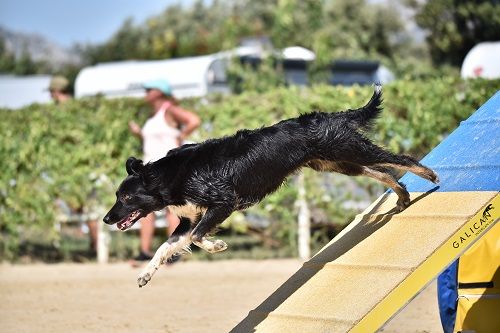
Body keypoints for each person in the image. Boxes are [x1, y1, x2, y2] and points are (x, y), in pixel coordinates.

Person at [129, 79, 201, 264]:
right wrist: (138, 133)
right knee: (145, 209)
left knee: (172, 210)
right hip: (150, 169)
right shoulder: (153, 114)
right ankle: (145, 251)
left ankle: (173, 252)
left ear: (159, 92)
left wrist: (182, 136)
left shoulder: (169, 109)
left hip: (168, 169)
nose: (146, 93)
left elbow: (194, 120)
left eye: (149, 89)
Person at [49, 75, 99, 255]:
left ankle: (93, 245)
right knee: (87, 207)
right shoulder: (78, 108)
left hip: (71, 166)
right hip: (81, 165)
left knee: (84, 206)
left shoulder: (59, 112)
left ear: (55, 92)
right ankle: (95, 245)